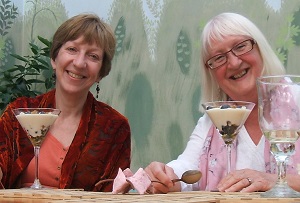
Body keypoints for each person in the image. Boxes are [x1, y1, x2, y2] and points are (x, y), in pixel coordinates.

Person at [145, 12, 300, 193]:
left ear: (260, 48)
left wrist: (276, 181)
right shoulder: (214, 119)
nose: (233, 63)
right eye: (218, 58)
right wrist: (163, 175)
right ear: (210, 72)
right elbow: (187, 167)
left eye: (241, 46)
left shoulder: (296, 100)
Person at [0, 13, 131, 191]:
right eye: (72, 49)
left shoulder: (114, 127)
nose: (79, 62)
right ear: (54, 58)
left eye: (93, 56)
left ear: (101, 73)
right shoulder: (19, 112)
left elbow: (112, 193)